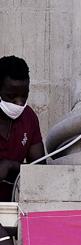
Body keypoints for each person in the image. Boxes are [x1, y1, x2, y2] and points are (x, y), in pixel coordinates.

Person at [0, 56, 45, 202]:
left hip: (11, 209)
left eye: (24, 96)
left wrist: (11, 165)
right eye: (11, 96)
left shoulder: (29, 118)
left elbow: (39, 170)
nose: (19, 103)